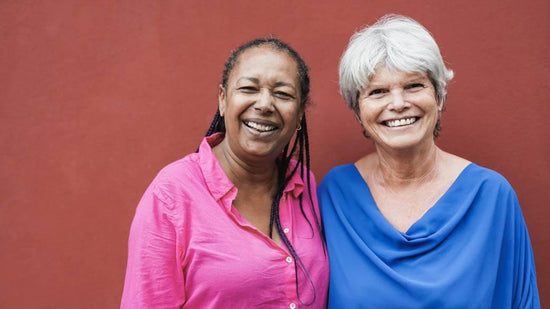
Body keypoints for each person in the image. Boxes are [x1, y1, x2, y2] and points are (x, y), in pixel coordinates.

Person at [318, 14, 540, 308]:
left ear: (439, 96)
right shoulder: (335, 194)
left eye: (413, 86)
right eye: (378, 92)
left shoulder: (492, 196)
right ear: (358, 110)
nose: (397, 104)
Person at [121, 38, 328, 308]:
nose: (265, 104)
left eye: (283, 94)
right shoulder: (171, 196)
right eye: (248, 88)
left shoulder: (304, 185)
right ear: (222, 99)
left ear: (299, 114)